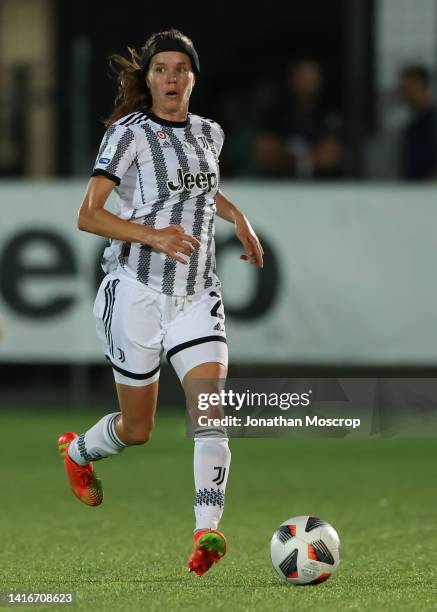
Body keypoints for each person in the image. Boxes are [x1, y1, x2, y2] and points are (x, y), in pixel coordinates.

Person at [57, 28, 263, 576]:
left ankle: (207, 533)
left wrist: (237, 218)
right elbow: (87, 215)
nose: (171, 78)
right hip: (136, 292)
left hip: (197, 293)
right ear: (146, 79)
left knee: (211, 415)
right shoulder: (126, 135)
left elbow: (200, 188)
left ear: (194, 77)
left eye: (180, 69)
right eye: (161, 69)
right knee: (138, 429)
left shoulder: (208, 133)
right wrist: (154, 236)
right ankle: (79, 452)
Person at [399, 65, 437, 181]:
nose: (403, 92)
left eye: (406, 87)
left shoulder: (432, 121)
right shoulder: (411, 123)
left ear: (419, 85)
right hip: (413, 191)